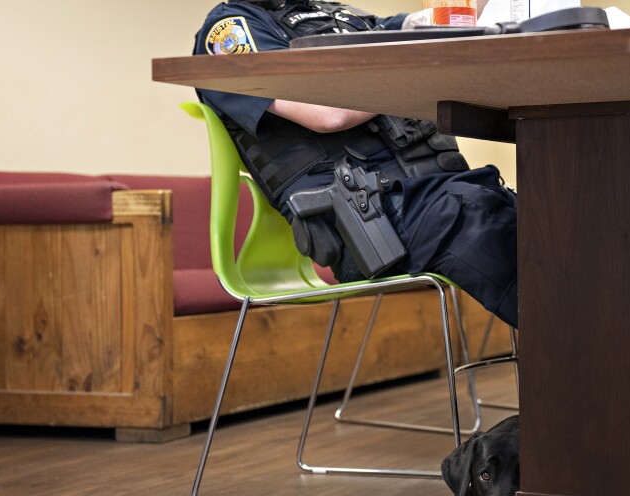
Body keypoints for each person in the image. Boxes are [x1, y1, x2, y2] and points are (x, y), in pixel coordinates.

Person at [193, 0, 518, 328]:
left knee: (540, 219)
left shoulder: (339, 16)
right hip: (366, 225)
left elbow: (443, 23)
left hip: (428, 197)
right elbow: (327, 112)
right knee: (478, 213)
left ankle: (561, 355)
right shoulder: (230, 30)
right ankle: (561, 356)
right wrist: (422, 70)